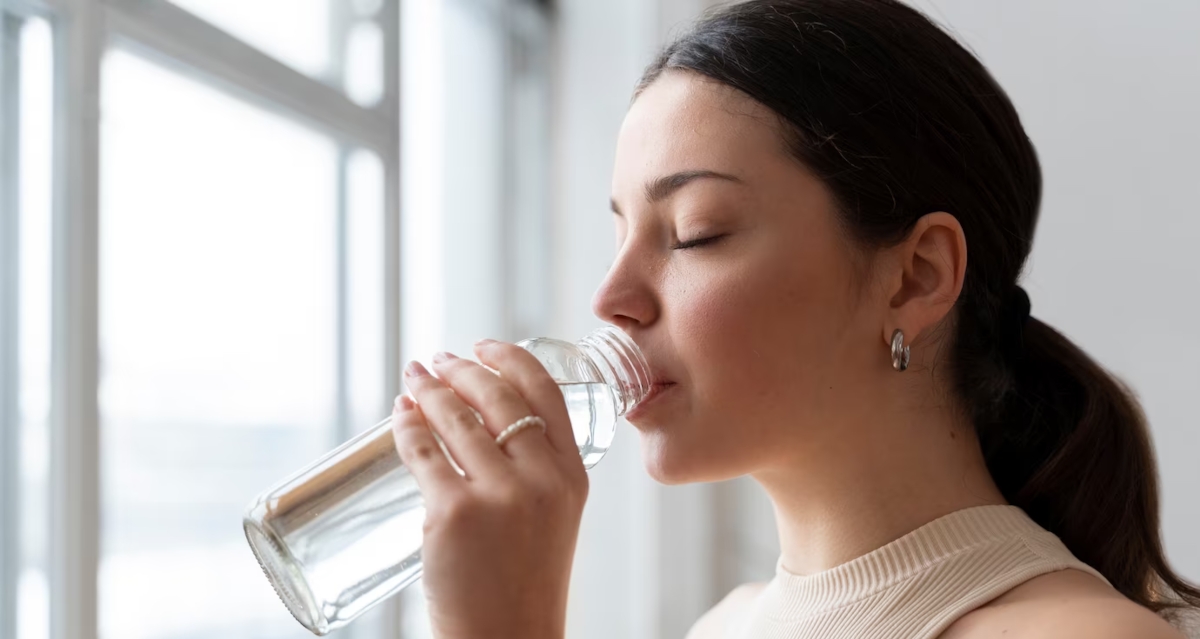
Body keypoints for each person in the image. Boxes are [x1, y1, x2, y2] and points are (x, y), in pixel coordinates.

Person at [388, 1, 1200, 637]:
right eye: (618, 234)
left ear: (916, 277)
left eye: (696, 231)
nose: (610, 297)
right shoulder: (722, 627)